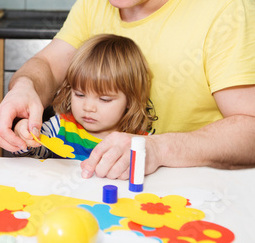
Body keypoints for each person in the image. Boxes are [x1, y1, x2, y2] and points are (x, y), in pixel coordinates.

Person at [0, 0, 255, 179]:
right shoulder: (95, 1)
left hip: (203, 199)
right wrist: (25, 87)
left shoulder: (231, 13)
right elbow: (47, 66)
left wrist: (157, 149)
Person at [14, 34, 157, 160]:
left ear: (130, 100)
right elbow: (28, 154)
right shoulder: (59, 127)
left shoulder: (142, 141)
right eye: (80, 94)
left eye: (104, 99)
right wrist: (24, 135)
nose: (88, 107)